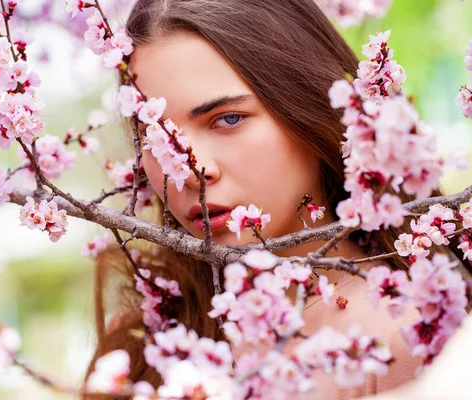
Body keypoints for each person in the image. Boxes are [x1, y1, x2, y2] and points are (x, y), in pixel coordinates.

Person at [84, 0, 468, 398]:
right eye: (155, 137)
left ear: (310, 108)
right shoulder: (139, 341)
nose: (189, 169)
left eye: (228, 119)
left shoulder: (406, 342)